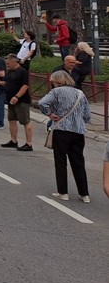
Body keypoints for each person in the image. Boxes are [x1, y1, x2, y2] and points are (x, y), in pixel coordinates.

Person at [38, 71, 91, 203]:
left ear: (57, 81)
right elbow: (87, 115)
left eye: (53, 81)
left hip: (61, 130)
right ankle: (84, 194)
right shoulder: (80, 93)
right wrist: (79, 121)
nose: (52, 83)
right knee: (78, 162)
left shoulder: (56, 92)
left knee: (60, 161)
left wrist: (50, 114)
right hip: (78, 132)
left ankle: (63, 192)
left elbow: (42, 103)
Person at [0, 54, 33, 151]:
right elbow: (8, 82)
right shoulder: (10, 71)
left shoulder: (22, 71)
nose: (7, 65)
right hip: (10, 100)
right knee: (12, 120)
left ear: (14, 62)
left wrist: (17, 96)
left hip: (21, 100)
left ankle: (29, 143)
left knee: (25, 121)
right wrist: (0, 83)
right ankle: (13, 141)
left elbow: (25, 86)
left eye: (8, 63)